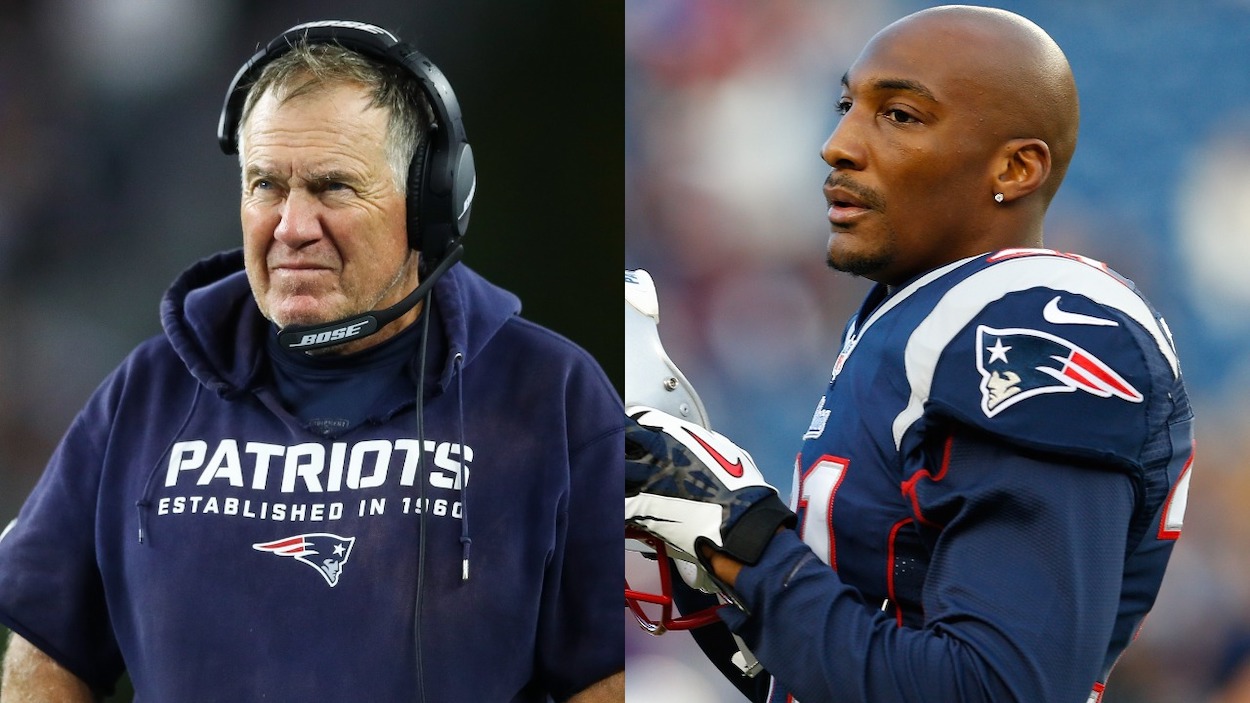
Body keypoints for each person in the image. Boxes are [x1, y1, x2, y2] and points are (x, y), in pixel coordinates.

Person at [0, 21, 623, 703]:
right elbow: (47, 645)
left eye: (332, 187)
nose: (292, 226)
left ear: (429, 204)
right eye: (266, 185)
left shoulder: (547, 394)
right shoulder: (146, 395)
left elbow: (610, 668)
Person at [625, 5, 1194, 703]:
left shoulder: (1034, 320)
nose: (837, 144)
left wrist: (744, 539)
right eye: (846, 105)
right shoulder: (910, 317)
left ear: (1016, 168)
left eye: (898, 115)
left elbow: (1000, 688)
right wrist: (703, 545)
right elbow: (845, 665)